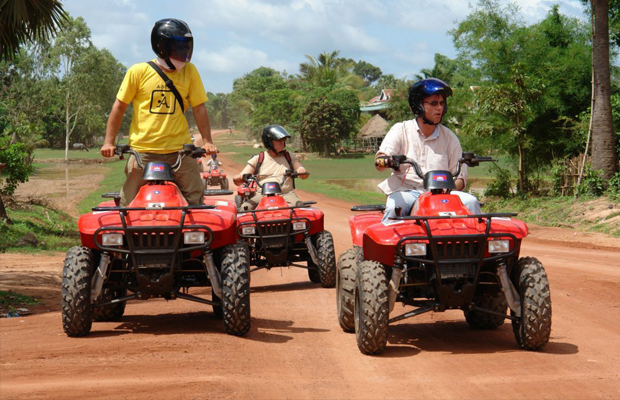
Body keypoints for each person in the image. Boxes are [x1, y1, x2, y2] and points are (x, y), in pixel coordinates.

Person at [100, 18, 217, 206]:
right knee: (128, 205)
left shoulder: (190, 71)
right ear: (161, 46)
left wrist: (208, 141)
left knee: (196, 199)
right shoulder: (138, 71)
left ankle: (192, 235)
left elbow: (199, 108)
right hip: (143, 152)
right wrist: (108, 142)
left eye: (185, 46)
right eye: (178, 46)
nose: (184, 52)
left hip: (180, 152)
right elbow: (119, 107)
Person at [375, 78, 481, 222]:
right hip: (407, 191)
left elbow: (460, 180)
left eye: (442, 103)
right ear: (417, 105)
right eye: (433, 103)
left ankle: (473, 243)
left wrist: (448, 188)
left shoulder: (450, 138)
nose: (439, 108)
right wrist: (384, 160)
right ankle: (389, 244)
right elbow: (381, 159)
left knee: (471, 202)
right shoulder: (401, 130)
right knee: (395, 207)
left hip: (442, 195)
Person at [233, 125, 309, 210]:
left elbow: (303, 174)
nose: (282, 142)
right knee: (244, 208)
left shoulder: (290, 157)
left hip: (286, 194)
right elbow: (239, 179)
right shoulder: (258, 159)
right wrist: (239, 177)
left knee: (300, 209)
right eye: (279, 140)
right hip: (262, 195)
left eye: (284, 140)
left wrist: (301, 170)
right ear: (269, 141)